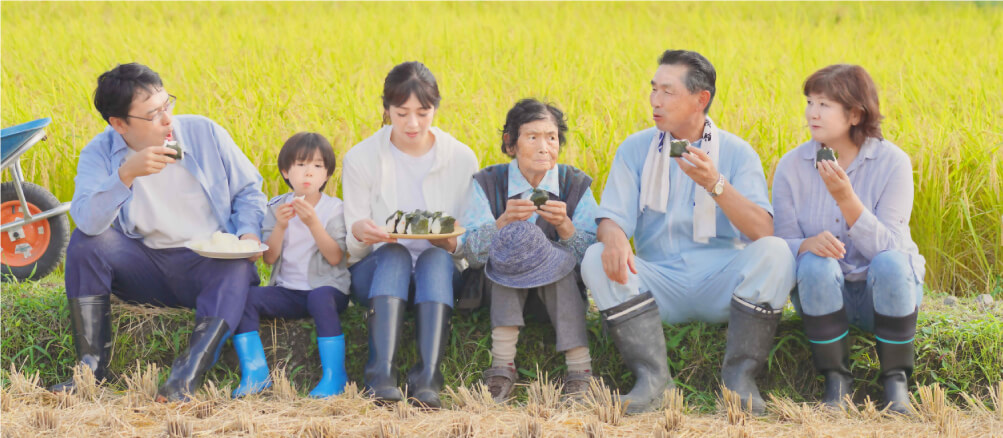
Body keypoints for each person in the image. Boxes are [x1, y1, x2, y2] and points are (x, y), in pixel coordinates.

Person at [580, 50, 796, 414]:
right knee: (594, 256)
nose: (655, 101)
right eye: (653, 90)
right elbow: (612, 217)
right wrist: (614, 237)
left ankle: (739, 381)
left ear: (701, 99)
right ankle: (652, 382)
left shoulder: (737, 152)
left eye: (668, 92)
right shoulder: (636, 148)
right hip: (657, 286)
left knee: (777, 252)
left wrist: (716, 184)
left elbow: (764, 230)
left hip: (723, 286)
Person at [55, 63, 266, 402]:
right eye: (154, 114)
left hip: (208, 262)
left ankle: (186, 375)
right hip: (144, 267)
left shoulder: (204, 132)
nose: (168, 119)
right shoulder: (100, 152)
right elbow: (88, 219)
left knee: (237, 265)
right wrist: (124, 176)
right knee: (86, 242)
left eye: (168, 104)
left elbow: (249, 191)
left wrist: (248, 235)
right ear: (119, 123)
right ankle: (91, 369)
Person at [772, 64, 925, 414]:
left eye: (824, 104)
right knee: (813, 263)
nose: (812, 113)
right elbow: (782, 242)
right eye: (810, 102)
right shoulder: (791, 166)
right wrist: (806, 245)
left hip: (884, 298)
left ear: (855, 114)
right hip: (826, 298)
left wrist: (846, 199)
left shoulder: (893, 163)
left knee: (888, 260)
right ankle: (836, 381)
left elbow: (893, 249)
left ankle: (895, 381)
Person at [341, 61, 478, 408]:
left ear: (436, 108)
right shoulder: (361, 157)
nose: (413, 123)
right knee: (394, 253)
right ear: (386, 109)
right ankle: (380, 376)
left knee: (434, 256)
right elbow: (352, 250)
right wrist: (360, 231)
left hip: (439, 277)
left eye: (423, 111)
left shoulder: (461, 159)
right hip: (378, 274)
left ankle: (428, 378)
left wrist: (450, 242)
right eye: (402, 113)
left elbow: (469, 245)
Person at [459, 99, 598, 402]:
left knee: (558, 260)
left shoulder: (575, 184)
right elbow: (469, 253)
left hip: (559, 296)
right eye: (532, 137)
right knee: (513, 250)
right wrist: (503, 222)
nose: (544, 147)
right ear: (510, 144)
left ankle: (580, 371)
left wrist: (566, 228)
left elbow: (593, 259)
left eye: (551, 137)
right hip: (498, 293)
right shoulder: (487, 182)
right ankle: (501, 367)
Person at [230, 132, 351, 399]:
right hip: (288, 291)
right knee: (245, 297)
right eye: (300, 164)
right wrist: (281, 226)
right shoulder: (275, 208)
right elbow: (269, 258)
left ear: (327, 174)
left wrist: (313, 224)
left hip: (327, 290)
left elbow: (335, 257)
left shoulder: (336, 209)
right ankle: (256, 373)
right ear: (286, 171)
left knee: (320, 298)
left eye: (318, 166)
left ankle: (335, 376)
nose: (309, 172)